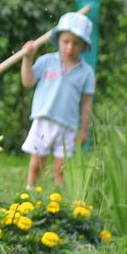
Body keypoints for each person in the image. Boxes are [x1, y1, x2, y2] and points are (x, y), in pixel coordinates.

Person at [19, 11, 95, 189]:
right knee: (36, 163)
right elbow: (27, 81)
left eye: (76, 44)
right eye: (66, 42)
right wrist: (27, 58)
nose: (70, 48)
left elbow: (86, 103)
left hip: (68, 125)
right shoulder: (46, 62)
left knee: (60, 168)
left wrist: (84, 130)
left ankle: (60, 200)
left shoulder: (86, 72)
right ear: (58, 39)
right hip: (43, 120)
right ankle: (29, 193)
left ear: (83, 45)